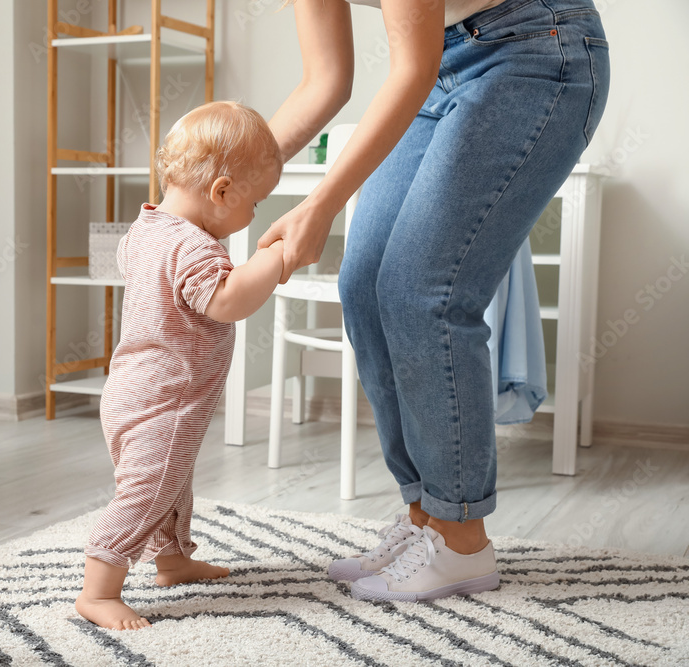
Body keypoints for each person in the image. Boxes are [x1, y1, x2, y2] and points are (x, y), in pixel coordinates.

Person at [259, 0, 609, 601]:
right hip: (443, 62)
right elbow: (325, 82)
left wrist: (321, 204)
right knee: (364, 284)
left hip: (533, 46)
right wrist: (210, 180)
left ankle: (461, 537)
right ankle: (425, 517)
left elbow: (408, 67)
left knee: (422, 291)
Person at [76, 101, 286, 629]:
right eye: (255, 202)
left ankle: (170, 560)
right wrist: (274, 258)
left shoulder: (146, 231)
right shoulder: (194, 248)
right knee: (146, 494)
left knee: (172, 483)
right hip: (165, 401)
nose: (254, 214)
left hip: (131, 389)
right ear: (221, 191)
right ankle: (98, 590)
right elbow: (227, 301)